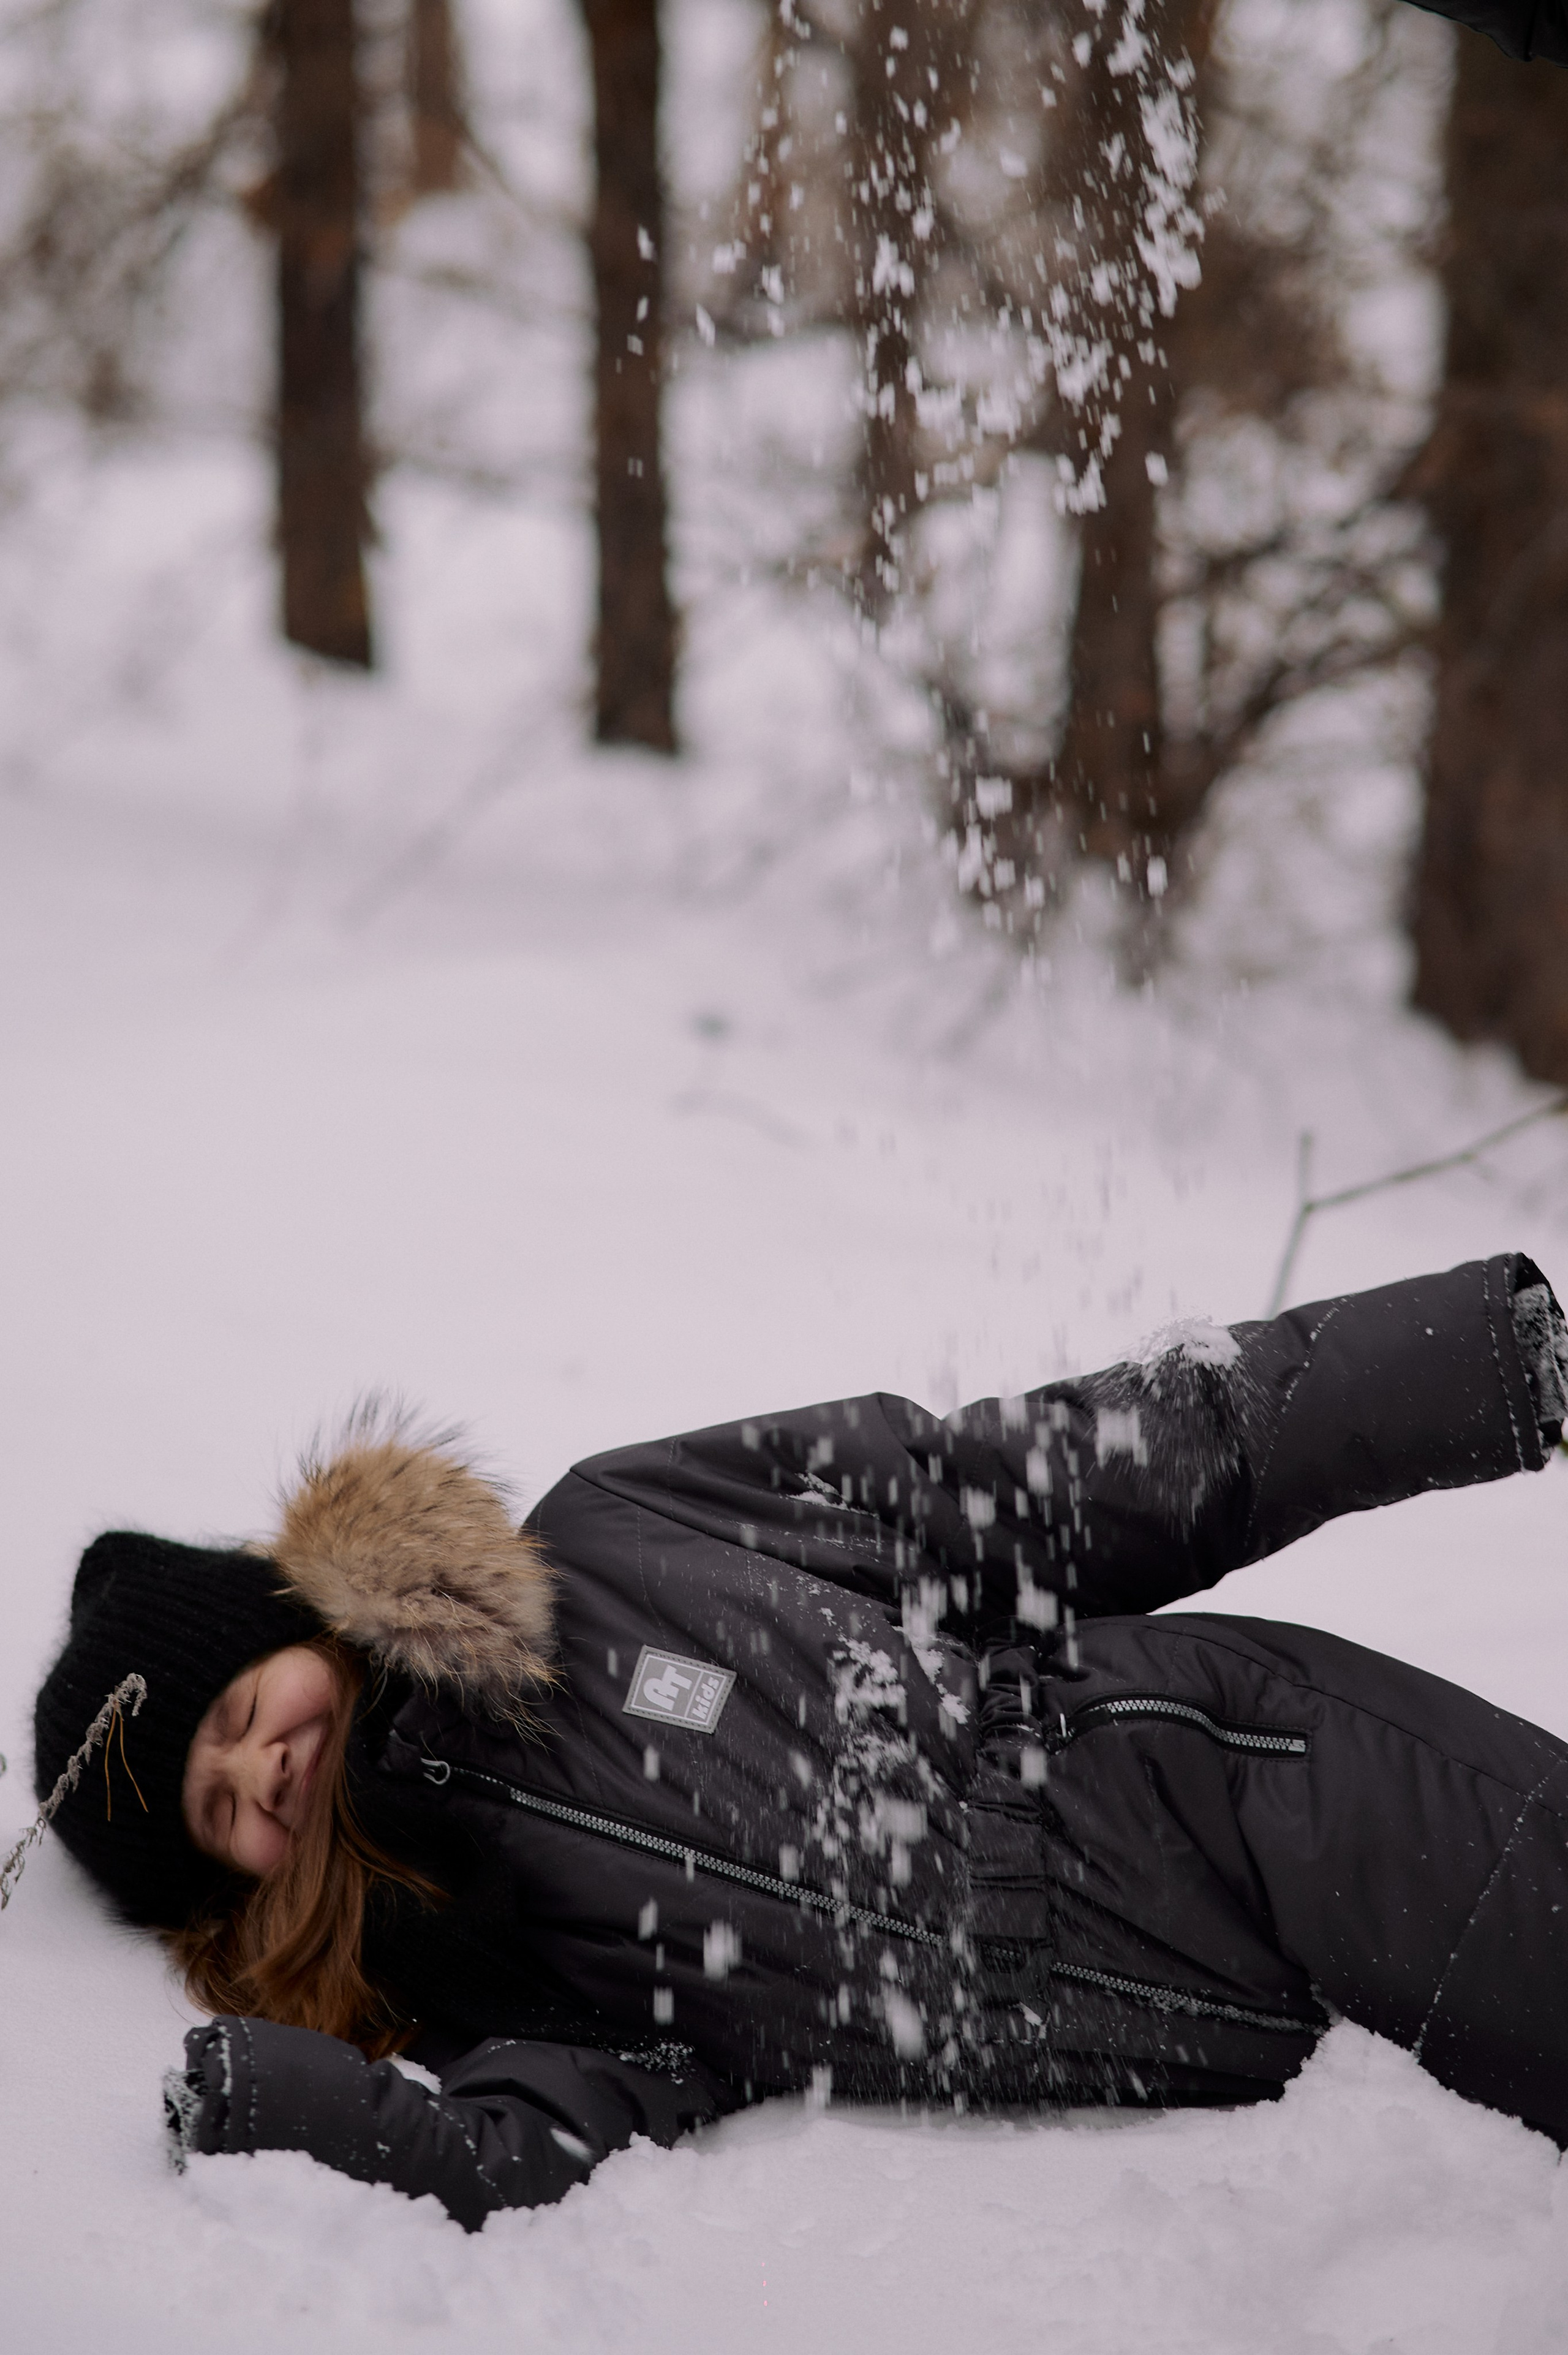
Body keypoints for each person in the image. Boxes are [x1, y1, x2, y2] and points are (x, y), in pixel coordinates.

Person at [31, 1253, 1568, 2230]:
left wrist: (1444, 1373)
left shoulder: (614, 1535)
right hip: (1234, 2060)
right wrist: (292, 2111)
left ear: (298, 1619)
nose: (266, 1769)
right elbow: (524, 2150)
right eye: (219, 1804)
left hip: (1255, 1786)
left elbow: (1011, 1485)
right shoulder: (460, 1964)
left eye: (242, 1714)